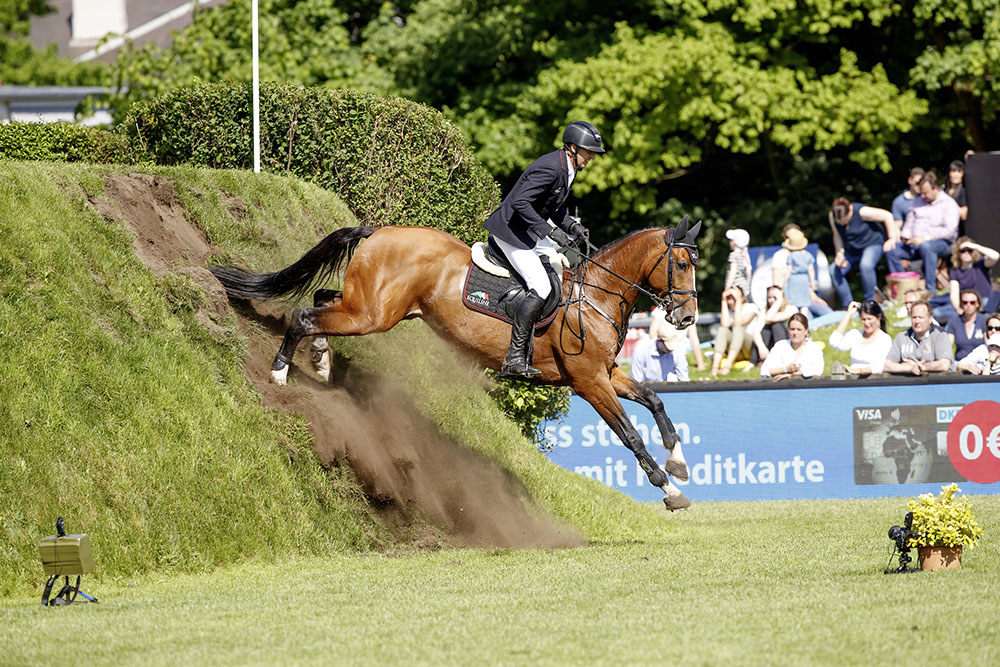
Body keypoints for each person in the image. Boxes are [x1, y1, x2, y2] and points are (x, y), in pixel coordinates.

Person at [484, 120, 604, 377]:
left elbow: (552, 208)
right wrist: (550, 232)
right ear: (573, 148)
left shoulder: (566, 168)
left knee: (559, 270)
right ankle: (514, 357)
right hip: (511, 232)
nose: (592, 156)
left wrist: (571, 227)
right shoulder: (551, 168)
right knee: (542, 285)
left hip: (526, 232)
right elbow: (521, 203)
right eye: (589, 151)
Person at [886, 171, 960, 293]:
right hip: (915, 243)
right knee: (892, 250)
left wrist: (925, 238)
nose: (923, 196)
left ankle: (930, 290)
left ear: (935, 188)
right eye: (921, 193)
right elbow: (909, 222)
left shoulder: (949, 204)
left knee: (927, 247)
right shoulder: (918, 201)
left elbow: (949, 231)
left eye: (926, 193)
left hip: (942, 244)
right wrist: (906, 236)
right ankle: (903, 288)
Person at [828, 197, 897, 306]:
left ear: (849, 211)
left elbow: (887, 215)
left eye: (844, 221)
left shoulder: (861, 211)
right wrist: (839, 253)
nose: (842, 224)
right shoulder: (832, 216)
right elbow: (837, 236)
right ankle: (849, 305)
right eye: (839, 222)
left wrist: (891, 238)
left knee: (866, 264)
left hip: (872, 244)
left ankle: (870, 302)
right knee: (833, 270)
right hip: (852, 251)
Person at [884, 301, 954, 375]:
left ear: (930, 319)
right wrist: (910, 368)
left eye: (920, 317)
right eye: (914, 317)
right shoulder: (902, 337)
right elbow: (887, 365)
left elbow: (944, 364)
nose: (917, 321)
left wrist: (923, 367)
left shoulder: (940, 335)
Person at [828, 300, 893, 376]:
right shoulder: (855, 334)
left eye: (869, 319)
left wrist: (859, 371)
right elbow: (834, 342)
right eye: (863, 319)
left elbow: (880, 366)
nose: (866, 323)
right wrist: (849, 314)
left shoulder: (884, 339)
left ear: (878, 318)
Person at [781, 229, 832, 318]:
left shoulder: (791, 256)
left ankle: (797, 318)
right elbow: (811, 271)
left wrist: (784, 283)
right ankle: (805, 319)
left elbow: (788, 271)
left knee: (794, 302)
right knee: (805, 303)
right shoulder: (808, 255)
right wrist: (811, 282)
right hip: (804, 280)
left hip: (794, 280)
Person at [711, 287, 760, 376]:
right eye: (728, 298)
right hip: (736, 350)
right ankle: (714, 368)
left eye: (733, 298)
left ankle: (727, 367)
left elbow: (738, 323)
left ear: (742, 298)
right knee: (722, 330)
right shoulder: (729, 311)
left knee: (738, 329)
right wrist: (723, 301)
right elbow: (724, 325)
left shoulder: (751, 307)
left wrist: (738, 302)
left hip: (750, 349)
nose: (730, 301)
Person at [759, 313, 824, 379]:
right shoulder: (780, 346)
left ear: (806, 331)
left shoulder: (814, 348)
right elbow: (764, 370)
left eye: (799, 329)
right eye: (792, 329)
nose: (795, 333)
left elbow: (817, 370)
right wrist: (786, 369)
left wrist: (791, 375)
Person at [949, 237, 1000, 313]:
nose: (966, 253)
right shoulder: (955, 270)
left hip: (984, 301)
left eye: (969, 250)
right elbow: (954, 293)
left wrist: (976, 246)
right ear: (958, 253)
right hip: (967, 305)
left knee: (992, 298)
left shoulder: (981, 263)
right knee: (938, 313)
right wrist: (958, 309)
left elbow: (995, 256)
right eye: (963, 251)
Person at [751, 285, 797, 364]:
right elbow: (756, 332)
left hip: (787, 342)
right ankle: (754, 362)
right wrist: (761, 347)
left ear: (782, 297)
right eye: (769, 297)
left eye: (775, 297)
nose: (772, 300)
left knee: (776, 325)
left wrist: (779, 301)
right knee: (765, 330)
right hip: (770, 344)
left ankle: (781, 357)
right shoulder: (763, 312)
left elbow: (769, 318)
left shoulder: (791, 309)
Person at [946, 289, 987, 362]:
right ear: (961, 304)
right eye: (965, 302)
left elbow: (988, 344)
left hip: (979, 362)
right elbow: (947, 345)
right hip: (959, 362)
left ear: (978, 304)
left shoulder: (984, 321)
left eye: (972, 302)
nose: (968, 305)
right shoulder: (955, 321)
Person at [891, 167, 925, 233]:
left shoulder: (927, 198)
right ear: (910, 180)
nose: (920, 186)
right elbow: (897, 225)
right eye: (917, 183)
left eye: (922, 183)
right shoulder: (899, 202)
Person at [770, 223, 801, 288]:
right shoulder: (779, 255)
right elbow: (776, 280)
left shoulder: (804, 254)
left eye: (794, 236)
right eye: (788, 237)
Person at [724, 228, 752, 301]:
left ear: (735, 242)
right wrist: (747, 284)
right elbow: (748, 272)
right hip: (744, 286)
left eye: (731, 240)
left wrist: (727, 287)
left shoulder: (733, 255)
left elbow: (732, 271)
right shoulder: (745, 255)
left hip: (736, 286)